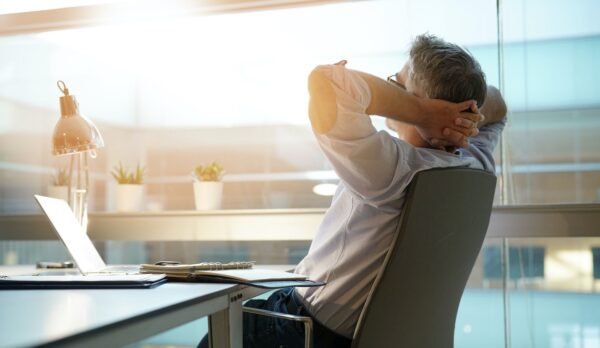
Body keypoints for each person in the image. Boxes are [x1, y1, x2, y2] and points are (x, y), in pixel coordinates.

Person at [199, 34, 507, 348]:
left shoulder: (392, 168)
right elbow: (499, 106)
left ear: (420, 101)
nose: (393, 92)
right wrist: (460, 113)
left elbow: (327, 82)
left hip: (308, 332)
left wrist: (424, 113)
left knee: (216, 336)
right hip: (377, 337)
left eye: (396, 84)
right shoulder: (476, 165)